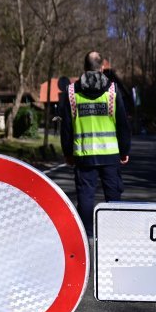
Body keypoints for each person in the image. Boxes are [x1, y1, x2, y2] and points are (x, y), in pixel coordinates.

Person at [60, 51, 131, 237]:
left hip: (84, 156)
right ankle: (113, 236)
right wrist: (124, 150)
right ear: (102, 68)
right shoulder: (113, 91)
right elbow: (123, 124)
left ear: (84, 68)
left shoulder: (71, 92)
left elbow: (66, 126)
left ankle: (87, 237)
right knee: (113, 196)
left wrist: (67, 152)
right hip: (110, 155)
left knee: (85, 197)